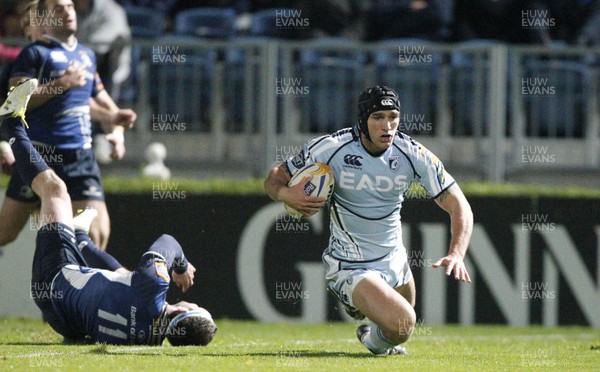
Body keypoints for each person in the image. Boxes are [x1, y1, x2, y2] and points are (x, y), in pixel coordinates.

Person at [0, 78, 217, 346]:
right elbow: (124, 284)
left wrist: (181, 265)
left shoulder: (154, 285)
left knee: (55, 189)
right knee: (125, 279)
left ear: (183, 311)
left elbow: (168, 241)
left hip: (55, 276)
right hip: (62, 320)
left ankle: (10, 121)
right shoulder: (150, 341)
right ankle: (81, 239)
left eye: (194, 304)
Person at [264, 85, 473, 355]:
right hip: (350, 264)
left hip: (394, 259)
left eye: (392, 116)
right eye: (378, 117)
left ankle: (370, 332)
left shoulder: (412, 154)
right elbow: (274, 177)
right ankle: (357, 306)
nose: (387, 125)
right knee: (402, 323)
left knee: (399, 333)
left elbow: (459, 205)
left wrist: (457, 252)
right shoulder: (332, 148)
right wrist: (286, 193)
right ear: (363, 120)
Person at [0, 0, 137, 251]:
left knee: (97, 236)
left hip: (80, 156)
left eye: (70, 7)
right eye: (58, 9)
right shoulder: (34, 55)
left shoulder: (86, 55)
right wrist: (62, 83)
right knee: (5, 232)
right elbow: (13, 103)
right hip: (39, 156)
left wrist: (116, 130)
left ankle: (77, 286)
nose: (67, 12)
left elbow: (101, 106)